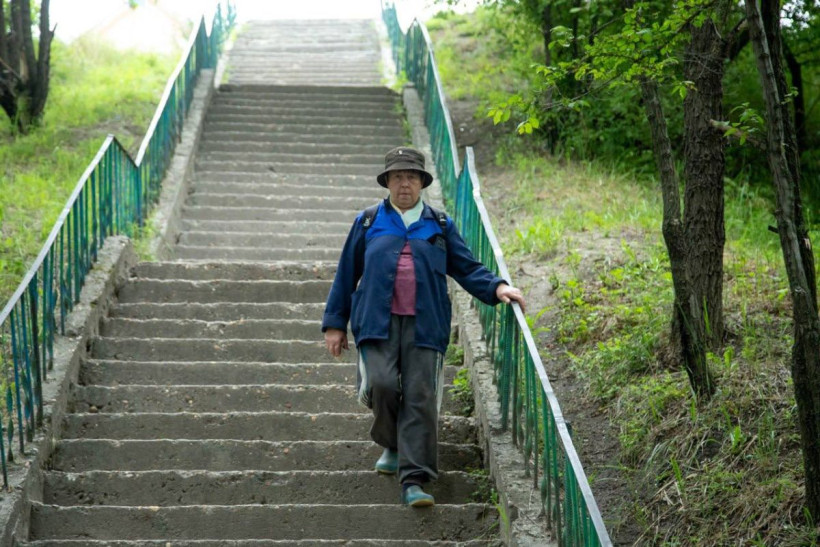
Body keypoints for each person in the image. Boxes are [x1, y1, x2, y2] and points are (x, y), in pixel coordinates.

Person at [322, 146, 525, 507]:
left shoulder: (439, 224)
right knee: (381, 384)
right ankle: (392, 442)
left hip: (425, 323)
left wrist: (498, 287)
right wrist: (335, 324)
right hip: (376, 321)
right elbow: (346, 273)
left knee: (420, 396)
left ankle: (414, 479)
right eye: (398, 177)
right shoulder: (368, 222)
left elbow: (466, 267)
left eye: (412, 177)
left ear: (421, 183)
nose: (405, 184)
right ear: (387, 182)